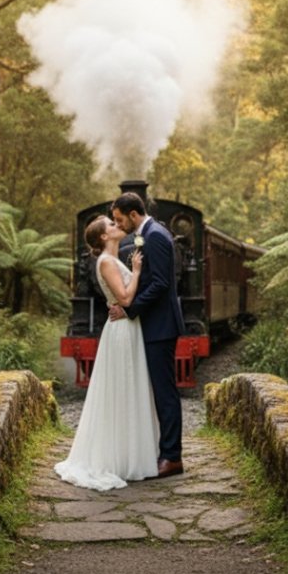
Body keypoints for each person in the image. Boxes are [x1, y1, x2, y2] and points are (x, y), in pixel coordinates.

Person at [54, 216, 160, 490]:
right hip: (122, 329)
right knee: (123, 388)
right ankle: (121, 458)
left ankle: (129, 452)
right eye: (111, 225)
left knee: (127, 388)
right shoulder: (106, 262)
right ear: (104, 237)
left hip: (126, 326)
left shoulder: (111, 260)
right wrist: (136, 271)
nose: (117, 226)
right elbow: (125, 299)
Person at [109, 192, 185, 479]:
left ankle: (172, 457)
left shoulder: (155, 235)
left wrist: (129, 309)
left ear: (132, 214)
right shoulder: (147, 234)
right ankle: (162, 450)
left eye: (119, 219)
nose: (119, 225)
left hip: (161, 327)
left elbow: (161, 285)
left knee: (165, 393)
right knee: (158, 390)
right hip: (153, 325)